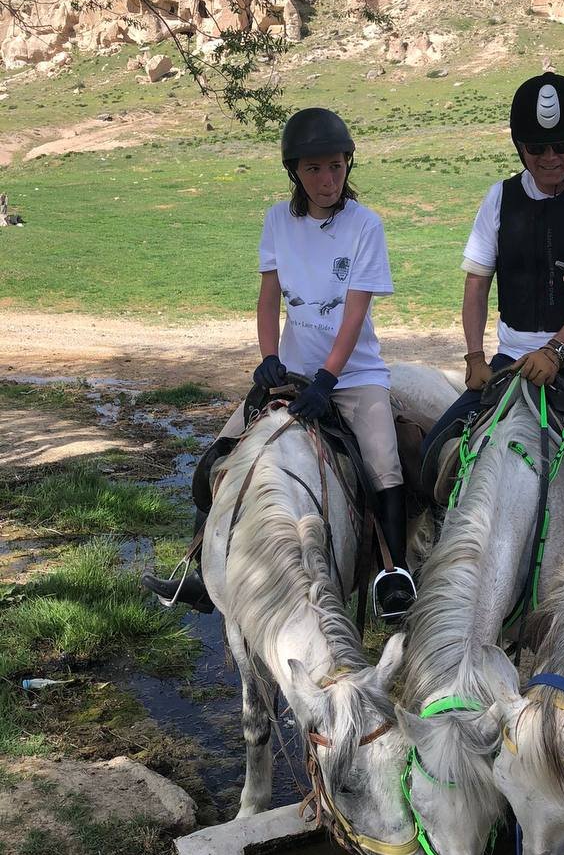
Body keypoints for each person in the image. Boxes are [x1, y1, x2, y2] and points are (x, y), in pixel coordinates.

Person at [143, 108, 417, 620]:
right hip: (291, 375)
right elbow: (269, 299)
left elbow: (355, 312)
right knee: (219, 458)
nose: (327, 179)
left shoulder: (365, 226)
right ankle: (201, 569)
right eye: (314, 169)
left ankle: (394, 575)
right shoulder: (277, 221)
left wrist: (329, 380)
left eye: (336, 166)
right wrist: (268, 358)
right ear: (296, 172)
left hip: (354, 376)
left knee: (384, 463)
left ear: (347, 164)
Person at [422, 73, 564, 500]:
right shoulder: (499, 197)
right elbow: (477, 282)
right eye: (536, 148)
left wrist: (558, 349)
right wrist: (474, 357)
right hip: (512, 360)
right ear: (518, 146)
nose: (549, 157)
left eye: (561, 146)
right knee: (435, 452)